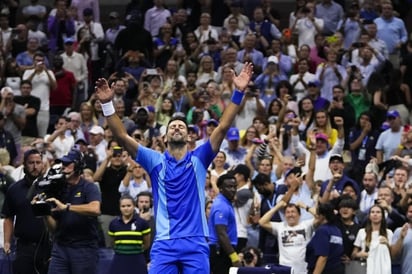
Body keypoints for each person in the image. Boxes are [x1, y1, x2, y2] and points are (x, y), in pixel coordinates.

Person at [95, 62, 253, 273]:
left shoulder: (200, 157)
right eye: (172, 126)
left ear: (189, 137)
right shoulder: (155, 161)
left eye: (181, 126)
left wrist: (238, 93)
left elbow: (223, 127)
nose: (177, 127)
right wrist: (107, 104)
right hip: (164, 243)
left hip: (195, 243)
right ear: (165, 136)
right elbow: (123, 137)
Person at [41, 148, 101, 274]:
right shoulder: (58, 189)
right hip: (60, 247)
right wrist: (44, 212)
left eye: (68, 164)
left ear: (78, 166)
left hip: (83, 247)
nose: (64, 167)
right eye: (63, 164)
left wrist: (67, 207)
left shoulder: (88, 187)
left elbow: (95, 209)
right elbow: (54, 228)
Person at [1, 149, 51, 274]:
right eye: (31, 163)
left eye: (38, 162)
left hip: (48, 247)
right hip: (24, 247)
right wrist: (7, 241)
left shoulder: (51, 187)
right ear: (24, 164)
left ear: (43, 165)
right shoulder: (15, 189)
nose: (35, 166)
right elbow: (8, 217)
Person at [108, 194, 151, 274]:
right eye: (123, 206)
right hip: (119, 259)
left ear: (134, 206)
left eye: (129, 205)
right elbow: (112, 242)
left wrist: (135, 250)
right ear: (120, 207)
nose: (126, 208)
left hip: (137, 260)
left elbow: (147, 243)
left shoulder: (142, 223)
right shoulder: (113, 224)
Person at [208, 173, 242, 274]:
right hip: (221, 251)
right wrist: (234, 257)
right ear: (221, 188)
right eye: (229, 187)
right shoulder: (221, 206)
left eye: (235, 186)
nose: (233, 189)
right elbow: (221, 233)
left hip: (223, 250)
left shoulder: (225, 203)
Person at [305, 203, 344, 274]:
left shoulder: (322, 231)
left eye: (317, 214)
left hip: (324, 271)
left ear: (322, 216)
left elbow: (323, 256)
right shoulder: (337, 230)